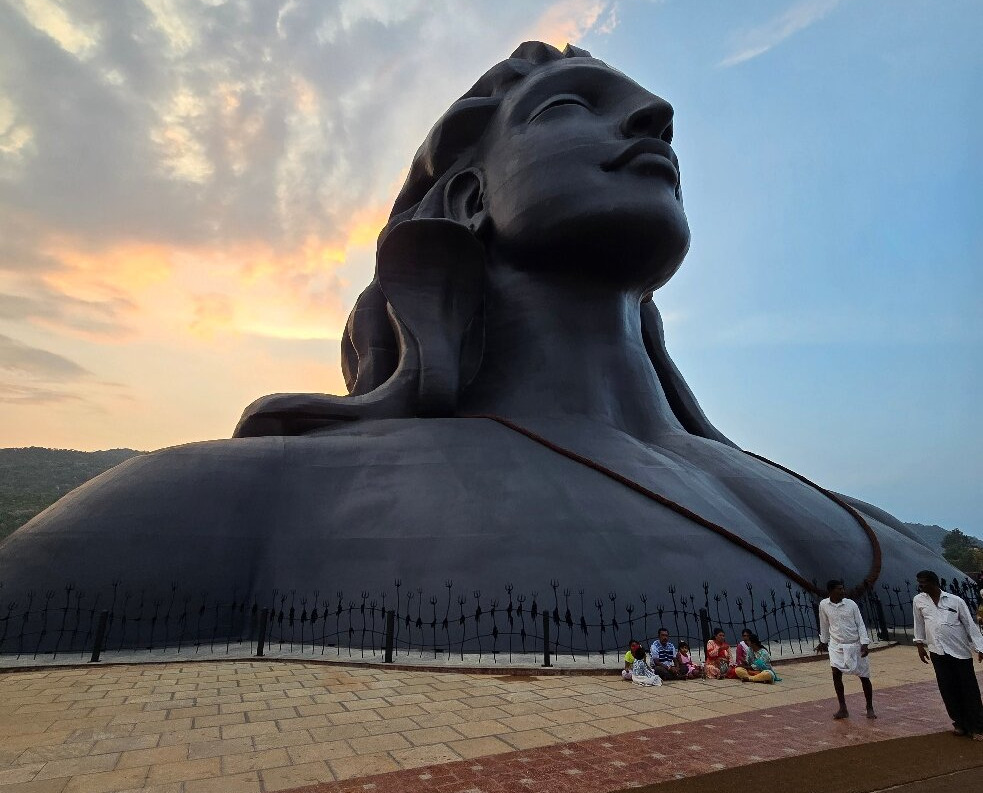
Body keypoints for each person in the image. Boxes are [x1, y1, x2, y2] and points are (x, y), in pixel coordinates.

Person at [0, 42, 965, 645]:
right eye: (570, 105)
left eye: (643, 108)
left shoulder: (847, 516)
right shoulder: (230, 499)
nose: (654, 119)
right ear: (469, 198)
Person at [912, 570, 983, 740]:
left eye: (923, 582)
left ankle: (977, 727)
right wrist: (919, 644)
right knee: (948, 689)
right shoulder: (919, 600)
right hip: (937, 652)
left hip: (959, 652)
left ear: (934, 582)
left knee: (969, 690)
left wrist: (980, 648)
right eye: (919, 582)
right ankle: (959, 723)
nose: (920, 586)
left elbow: (969, 625)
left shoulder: (955, 601)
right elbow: (919, 623)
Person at [816, 579, 876, 719]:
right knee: (836, 674)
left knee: (864, 676)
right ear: (831, 591)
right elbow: (824, 624)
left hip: (854, 644)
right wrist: (823, 641)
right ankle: (842, 708)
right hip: (836, 646)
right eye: (839, 589)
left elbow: (860, 624)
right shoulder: (824, 605)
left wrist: (864, 643)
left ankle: (869, 707)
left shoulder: (851, 604)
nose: (843, 591)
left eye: (843, 588)